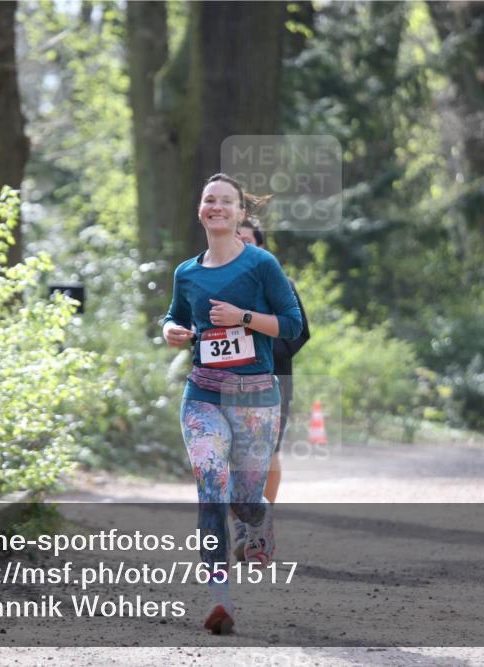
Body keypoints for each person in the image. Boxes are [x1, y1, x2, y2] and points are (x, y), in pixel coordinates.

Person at [162, 173, 303, 634]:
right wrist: (171, 331)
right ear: (200, 210)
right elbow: (175, 316)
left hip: (257, 398)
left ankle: (260, 517)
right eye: (209, 200)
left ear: (241, 213)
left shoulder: (262, 265)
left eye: (226, 201)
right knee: (210, 488)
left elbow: (291, 325)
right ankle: (220, 599)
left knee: (243, 501)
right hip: (202, 394)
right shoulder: (187, 272)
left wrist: (242, 317)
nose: (217, 206)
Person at [230, 218, 310, 561]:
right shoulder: (216, 283)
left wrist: (261, 349)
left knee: (266, 452)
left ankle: (262, 523)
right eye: (235, 239)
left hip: (274, 380)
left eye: (247, 240)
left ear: (260, 248)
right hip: (227, 382)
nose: (240, 245)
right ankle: (244, 526)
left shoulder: (281, 283)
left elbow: (299, 332)